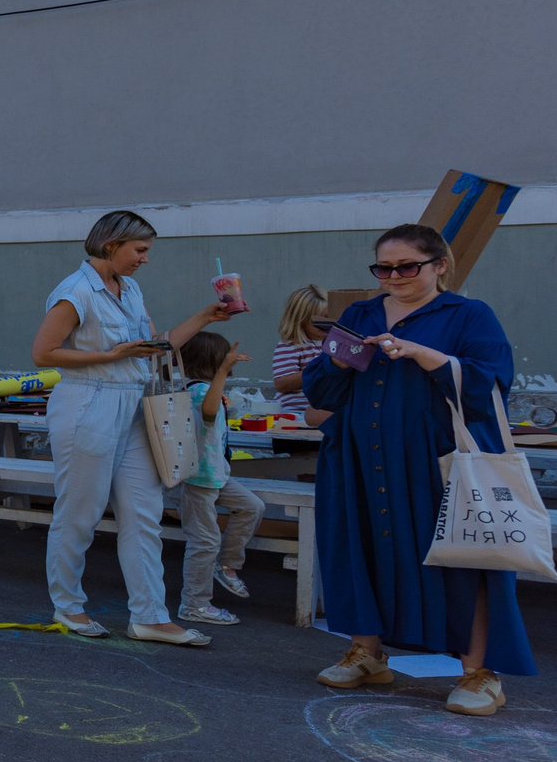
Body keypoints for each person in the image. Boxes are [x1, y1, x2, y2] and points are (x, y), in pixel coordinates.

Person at [303, 224, 531, 717]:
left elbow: (490, 387)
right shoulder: (359, 314)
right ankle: (367, 652)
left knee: (465, 559)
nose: (395, 276)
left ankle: (478, 673)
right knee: (361, 548)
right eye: (384, 268)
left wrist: (423, 355)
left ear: (439, 266)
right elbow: (320, 393)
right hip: (362, 456)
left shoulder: (469, 315)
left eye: (408, 266)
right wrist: (341, 361)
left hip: (440, 462)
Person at [29, 211, 235, 643]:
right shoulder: (74, 292)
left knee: (144, 516)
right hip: (89, 403)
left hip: (136, 404)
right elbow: (44, 354)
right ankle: (68, 607)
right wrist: (114, 355)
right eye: (140, 250)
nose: (145, 259)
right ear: (111, 245)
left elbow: (155, 348)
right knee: (80, 513)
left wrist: (204, 317)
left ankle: (149, 615)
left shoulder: (131, 288)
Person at [173, 332, 261, 623]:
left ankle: (225, 566)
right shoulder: (199, 390)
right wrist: (223, 372)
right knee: (205, 542)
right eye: (224, 358)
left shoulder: (205, 387)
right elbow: (209, 412)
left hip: (216, 475)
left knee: (252, 506)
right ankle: (194, 605)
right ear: (214, 361)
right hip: (199, 479)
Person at [267, 285, 333, 425]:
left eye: (328, 318)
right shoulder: (291, 345)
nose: (324, 324)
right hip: (294, 416)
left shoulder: (335, 344)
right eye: (317, 321)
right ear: (300, 320)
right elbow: (281, 384)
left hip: (325, 415)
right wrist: (321, 367)